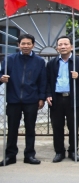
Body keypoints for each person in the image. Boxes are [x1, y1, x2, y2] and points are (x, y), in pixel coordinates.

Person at [0, 34, 46, 166]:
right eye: (23, 44)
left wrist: (41, 97)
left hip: (31, 100)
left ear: (33, 45)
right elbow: (1, 74)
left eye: (28, 44)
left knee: (30, 129)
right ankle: (10, 155)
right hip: (13, 99)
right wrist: (2, 78)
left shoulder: (39, 61)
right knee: (12, 129)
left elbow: (43, 81)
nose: (25, 46)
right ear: (18, 45)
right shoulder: (9, 59)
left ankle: (29, 155)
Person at [46, 36, 79, 163]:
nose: (63, 47)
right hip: (56, 99)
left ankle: (73, 151)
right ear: (57, 48)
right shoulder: (52, 63)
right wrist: (48, 94)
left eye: (66, 44)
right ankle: (59, 152)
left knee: (73, 127)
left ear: (72, 46)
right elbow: (47, 81)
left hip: (73, 99)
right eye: (60, 45)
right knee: (57, 127)